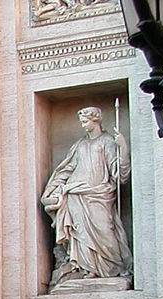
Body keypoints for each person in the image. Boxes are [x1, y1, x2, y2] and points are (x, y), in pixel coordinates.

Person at [41, 106, 131, 288]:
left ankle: (111, 268)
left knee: (105, 229)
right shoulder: (79, 145)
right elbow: (66, 169)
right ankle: (85, 269)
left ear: (96, 120)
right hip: (75, 194)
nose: (83, 126)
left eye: (85, 121)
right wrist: (52, 189)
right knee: (80, 233)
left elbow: (119, 173)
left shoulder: (107, 142)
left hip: (99, 194)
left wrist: (123, 147)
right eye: (81, 122)